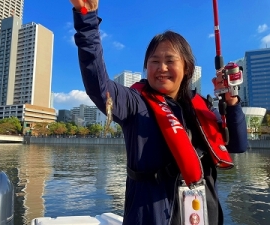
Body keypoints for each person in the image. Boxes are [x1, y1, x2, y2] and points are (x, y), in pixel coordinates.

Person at [68, 1, 248, 224]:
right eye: (154, 62)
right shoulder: (134, 103)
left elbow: (237, 146)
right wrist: (87, 19)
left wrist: (232, 103)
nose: (161, 68)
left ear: (187, 68)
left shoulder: (203, 106)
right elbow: (98, 85)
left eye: (170, 61)